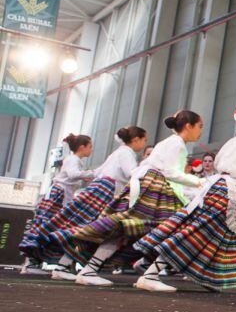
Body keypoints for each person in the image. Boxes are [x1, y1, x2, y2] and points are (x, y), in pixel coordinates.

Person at [131, 103, 236, 293]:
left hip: (219, 187)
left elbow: (218, 162)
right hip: (229, 192)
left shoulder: (235, 140)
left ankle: (206, 277)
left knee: (210, 236)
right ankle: (151, 274)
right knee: (198, 235)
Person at [63, 111, 204, 287]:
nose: (201, 131)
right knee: (173, 229)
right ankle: (148, 274)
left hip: (148, 184)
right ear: (188, 126)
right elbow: (170, 172)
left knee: (128, 227)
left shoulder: (168, 142)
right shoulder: (177, 145)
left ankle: (93, 269)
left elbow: (153, 168)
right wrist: (198, 182)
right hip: (155, 186)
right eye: (200, 126)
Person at [37, 126, 148, 279]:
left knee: (88, 229)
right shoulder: (126, 153)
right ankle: (68, 267)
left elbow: (98, 172)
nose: (144, 143)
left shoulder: (118, 152)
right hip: (107, 191)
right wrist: (149, 168)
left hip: (101, 188)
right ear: (136, 139)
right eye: (144, 140)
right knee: (96, 230)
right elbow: (132, 173)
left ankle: (63, 265)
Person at [19, 133, 96, 274]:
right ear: (82, 147)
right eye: (90, 147)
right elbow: (73, 175)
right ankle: (31, 263)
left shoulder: (73, 159)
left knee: (46, 226)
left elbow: (72, 178)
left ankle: (33, 262)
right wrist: (92, 173)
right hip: (58, 196)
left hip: (58, 195)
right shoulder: (73, 159)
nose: (91, 150)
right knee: (46, 226)